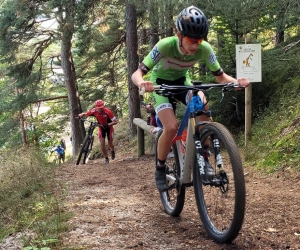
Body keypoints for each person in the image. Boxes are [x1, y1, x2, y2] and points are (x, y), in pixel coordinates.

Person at [131, 6, 250, 191]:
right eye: (190, 40)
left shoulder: (205, 49)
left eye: (199, 40)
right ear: (179, 34)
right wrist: (142, 84)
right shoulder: (165, 45)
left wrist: (236, 82)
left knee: (202, 102)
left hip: (183, 82)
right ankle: (160, 168)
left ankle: (204, 159)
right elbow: (137, 73)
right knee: (170, 128)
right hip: (160, 85)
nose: (195, 46)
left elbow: (220, 76)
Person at [78, 99, 118, 164]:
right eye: (98, 108)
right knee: (102, 143)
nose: (100, 109)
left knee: (110, 143)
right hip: (101, 128)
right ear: (96, 107)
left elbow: (116, 121)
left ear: (103, 106)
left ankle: (112, 150)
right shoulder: (94, 111)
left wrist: (108, 124)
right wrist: (81, 115)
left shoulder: (108, 111)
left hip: (109, 128)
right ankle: (106, 158)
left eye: (101, 107)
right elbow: (87, 114)